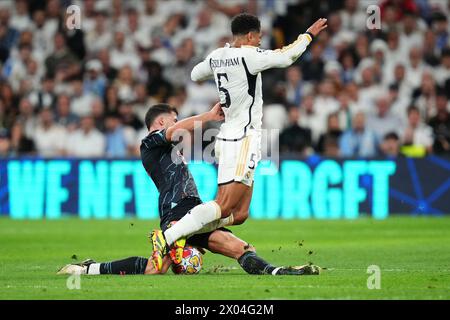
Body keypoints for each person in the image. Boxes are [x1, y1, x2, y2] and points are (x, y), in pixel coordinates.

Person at [56, 103, 320, 277]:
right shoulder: (149, 143)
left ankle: (278, 272)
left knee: (239, 244)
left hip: (196, 213)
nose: (179, 123)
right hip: (177, 213)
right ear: (161, 122)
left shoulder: (168, 150)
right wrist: (208, 117)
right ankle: (89, 269)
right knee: (153, 270)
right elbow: (177, 131)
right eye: (174, 119)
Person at [162, 14, 327, 253]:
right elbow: (287, 56)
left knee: (240, 214)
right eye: (259, 37)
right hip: (242, 139)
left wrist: (218, 68)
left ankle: (186, 231)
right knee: (223, 205)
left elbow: (195, 74)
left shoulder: (219, 55)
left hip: (228, 137)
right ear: (250, 36)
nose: (260, 42)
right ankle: (171, 234)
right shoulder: (248, 55)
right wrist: (308, 34)